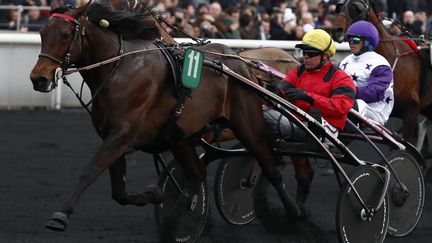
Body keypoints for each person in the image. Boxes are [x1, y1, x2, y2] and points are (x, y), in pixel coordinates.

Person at [265, 29, 356, 143]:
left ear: (325, 56)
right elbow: (282, 90)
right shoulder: (299, 70)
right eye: (304, 52)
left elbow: (341, 107)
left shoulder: (341, 77)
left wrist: (308, 97)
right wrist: (273, 93)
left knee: (265, 118)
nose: (306, 56)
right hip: (298, 120)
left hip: (325, 128)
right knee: (259, 113)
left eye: (311, 53)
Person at [339, 20, 394, 125]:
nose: (351, 43)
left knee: (354, 104)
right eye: (349, 39)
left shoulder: (380, 63)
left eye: (355, 40)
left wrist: (346, 92)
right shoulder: (345, 61)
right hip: (347, 103)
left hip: (375, 111)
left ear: (367, 41)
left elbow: (374, 93)